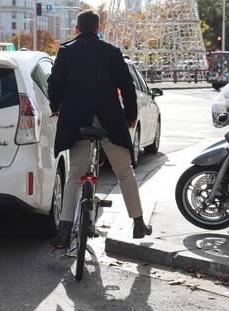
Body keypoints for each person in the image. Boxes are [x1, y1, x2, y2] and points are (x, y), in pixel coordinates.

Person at [47, 9, 152, 249]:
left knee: (75, 174)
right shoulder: (112, 52)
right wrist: (130, 117)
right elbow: (127, 86)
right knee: (124, 172)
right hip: (109, 120)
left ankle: (64, 230)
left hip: (77, 121)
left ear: (76, 29)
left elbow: (55, 84)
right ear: (98, 29)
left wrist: (56, 107)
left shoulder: (65, 51)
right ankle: (138, 223)